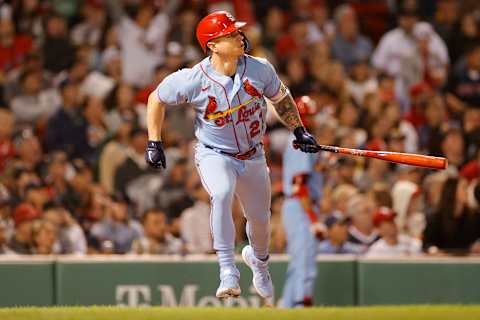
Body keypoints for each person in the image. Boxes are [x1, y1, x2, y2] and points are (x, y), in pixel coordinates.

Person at [145, 11, 319, 299]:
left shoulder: (260, 68)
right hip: (215, 153)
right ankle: (227, 269)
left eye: (238, 32)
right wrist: (154, 141)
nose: (240, 37)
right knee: (222, 194)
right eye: (231, 34)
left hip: (252, 155)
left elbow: (281, 97)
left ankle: (260, 264)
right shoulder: (193, 79)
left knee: (260, 221)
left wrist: (299, 130)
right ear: (213, 44)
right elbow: (156, 98)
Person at [281, 96, 324, 308]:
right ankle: (301, 306)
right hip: (301, 207)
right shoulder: (302, 141)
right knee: (305, 262)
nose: (311, 121)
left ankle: (287, 309)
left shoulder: (299, 141)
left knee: (298, 264)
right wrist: (313, 219)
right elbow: (301, 186)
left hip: (295, 206)